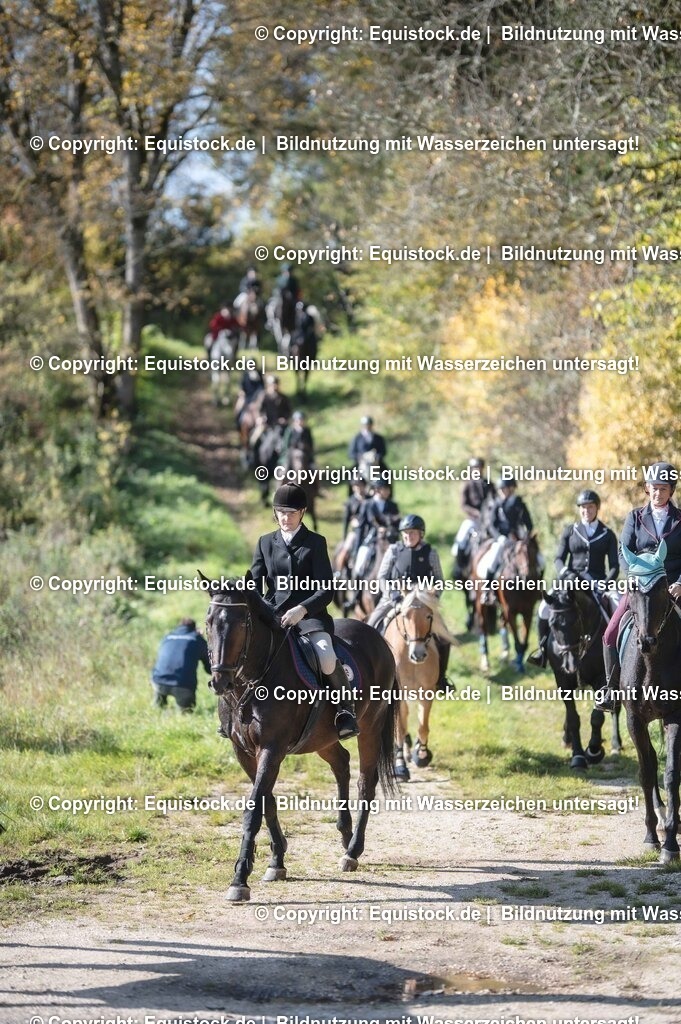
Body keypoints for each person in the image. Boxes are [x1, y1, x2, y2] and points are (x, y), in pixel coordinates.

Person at [251, 483, 359, 739]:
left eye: (290, 512)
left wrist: (302, 610)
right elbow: (254, 585)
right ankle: (233, 712)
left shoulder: (315, 543)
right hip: (274, 616)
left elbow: (326, 591)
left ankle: (345, 710)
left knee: (326, 656)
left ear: (302, 512)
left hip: (309, 619)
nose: (285, 518)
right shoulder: (265, 542)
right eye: (280, 512)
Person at [597, 462, 681, 710]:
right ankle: (611, 690)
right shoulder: (634, 517)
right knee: (610, 633)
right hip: (641, 587)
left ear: (671, 491)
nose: (658, 493)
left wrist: (679, 582)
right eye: (653, 488)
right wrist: (633, 578)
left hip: (672, 587)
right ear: (647, 489)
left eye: (663, 489)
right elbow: (624, 553)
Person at [528, 490, 619, 668]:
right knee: (543, 608)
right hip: (570, 580)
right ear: (579, 509)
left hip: (597, 581)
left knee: (617, 606)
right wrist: (565, 573)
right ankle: (542, 651)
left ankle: (618, 653)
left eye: (590, 507)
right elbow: (558, 559)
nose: (586, 511)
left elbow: (615, 566)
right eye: (583, 507)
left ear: (597, 508)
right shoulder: (570, 531)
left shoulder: (608, 534)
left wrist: (606, 582)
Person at [367, 514, 451, 689]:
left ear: (421, 534)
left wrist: (431, 598)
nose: (408, 536)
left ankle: (441, 679)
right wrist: (394, 595)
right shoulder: (394, 550)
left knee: (444, 638)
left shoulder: (431, 553)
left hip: (421, 602)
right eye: (405, 533)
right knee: (371, 627)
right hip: (393, 599)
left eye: (412, 533)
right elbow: (382, 577)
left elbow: (439, 580)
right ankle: (371, 675)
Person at [151, 618, 211, 712]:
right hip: (183, 685)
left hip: (159, 680)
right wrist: (201, 639)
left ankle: (158, 706)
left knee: (158, 709)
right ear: (194, 628)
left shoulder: (167, 636)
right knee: (186, 713)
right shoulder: (197, 638)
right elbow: (209, 669)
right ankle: (181, 711)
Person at [452, 458, 496, 574]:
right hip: (473, 520)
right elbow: (464, 505)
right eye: (475, 468)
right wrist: (476, 513)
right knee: (461, 540)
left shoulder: (489, 484)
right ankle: (459, 568)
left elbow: (495, 501)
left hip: (488, 520)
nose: (478, 470)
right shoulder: (467, 484)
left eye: (480, 468)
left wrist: (488, 513)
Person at [485, 478, 534, 581]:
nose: (502, 492)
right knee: (494, 558)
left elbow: (529, 524)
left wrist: (526, 536)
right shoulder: (497, 504)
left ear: (511, 489)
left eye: (504, 489)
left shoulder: (519, 503)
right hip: (503, 539)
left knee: (539, 559)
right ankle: (487, 586)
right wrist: (499, 537)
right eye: (500, 489)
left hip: (518, 538)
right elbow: (492, 525)